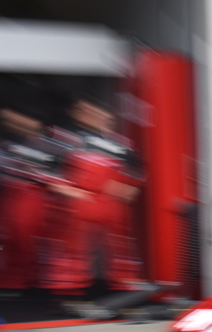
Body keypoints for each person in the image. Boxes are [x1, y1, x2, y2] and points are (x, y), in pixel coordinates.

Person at [43, 96, 144, 296]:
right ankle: (72, 292)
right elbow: (49, 172)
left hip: (111, 208)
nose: (92, 116)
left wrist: (127, 191)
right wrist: (70, 191)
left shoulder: (121, 145)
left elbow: (138, 171)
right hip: (78, 208)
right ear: (77, 114)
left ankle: (118, 290)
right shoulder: (66, 139)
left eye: (97, 113)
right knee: (75, 252)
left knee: (117, 250)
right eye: (86, 112)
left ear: (107, 117)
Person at [0, 102, 66, 296]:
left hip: (42, 205)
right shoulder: (3, 145)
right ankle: (15, 285)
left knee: (36, 247)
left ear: (35, 121)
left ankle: (36, 285)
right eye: (7, 120)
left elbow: (63, 179)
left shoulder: (54, 148)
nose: (12, 123)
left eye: (15, 118)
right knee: (14, 245)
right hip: (10, 205)